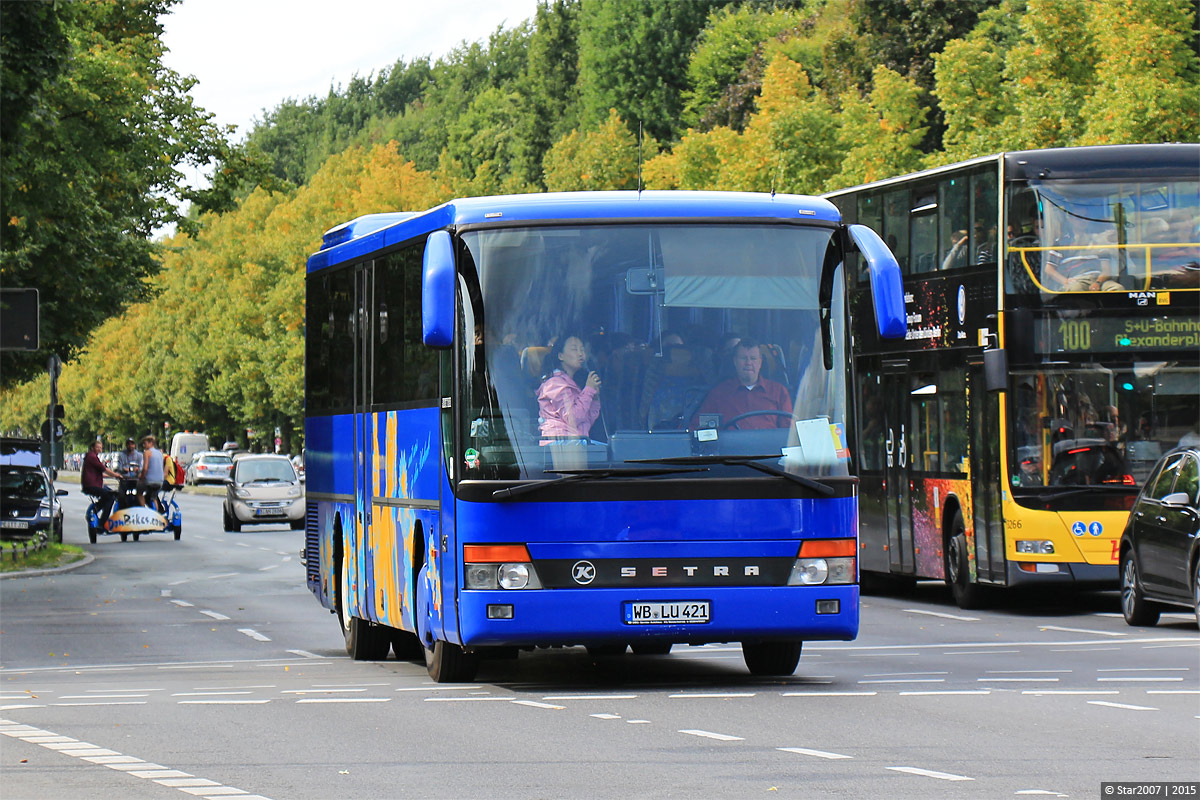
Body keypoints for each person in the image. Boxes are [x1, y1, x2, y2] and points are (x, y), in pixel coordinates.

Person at [691, 338, 792, 430]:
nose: (748, 363)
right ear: (735, 361)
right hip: (730, 450)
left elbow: (789, 433)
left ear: (760, 362)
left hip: (771, 449)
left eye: (753, 358)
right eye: (743, 358)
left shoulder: (779, 392)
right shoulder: (719, 393)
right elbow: (698, 428)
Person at [536, 334, 602, 443]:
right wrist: (588, 390)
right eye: (574, 349)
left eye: (582, 349)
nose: (580, 354)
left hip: (577, 441)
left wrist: (594, 399)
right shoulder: (554, 384)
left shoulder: (573, 384)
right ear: (561, 356)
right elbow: (573, 419)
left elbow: (585, 421)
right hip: (560, 445)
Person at [81, 439, 123, 529]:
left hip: (93, 483)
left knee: (111, 493)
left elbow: (97, 473)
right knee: (110, 497)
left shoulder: (91, 457)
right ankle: (102, 522)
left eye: (101, 447)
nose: (99, 449)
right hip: (92, 485)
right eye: (97, 447)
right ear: (92, 448)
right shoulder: (92, 457)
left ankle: (98, 510)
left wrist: (111, 477)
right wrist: (116, 475)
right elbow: (103, 469)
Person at [138, 435, 165, 509]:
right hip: (160, 481)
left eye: (145, 443)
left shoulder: (147, 453)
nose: (144, 445)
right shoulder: (160, 453)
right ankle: (156, 514)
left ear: (151, 443)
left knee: (139, 492)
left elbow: (145, 468)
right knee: (154, 497)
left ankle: (143, 510)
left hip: (150, 481)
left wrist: (141, 477)